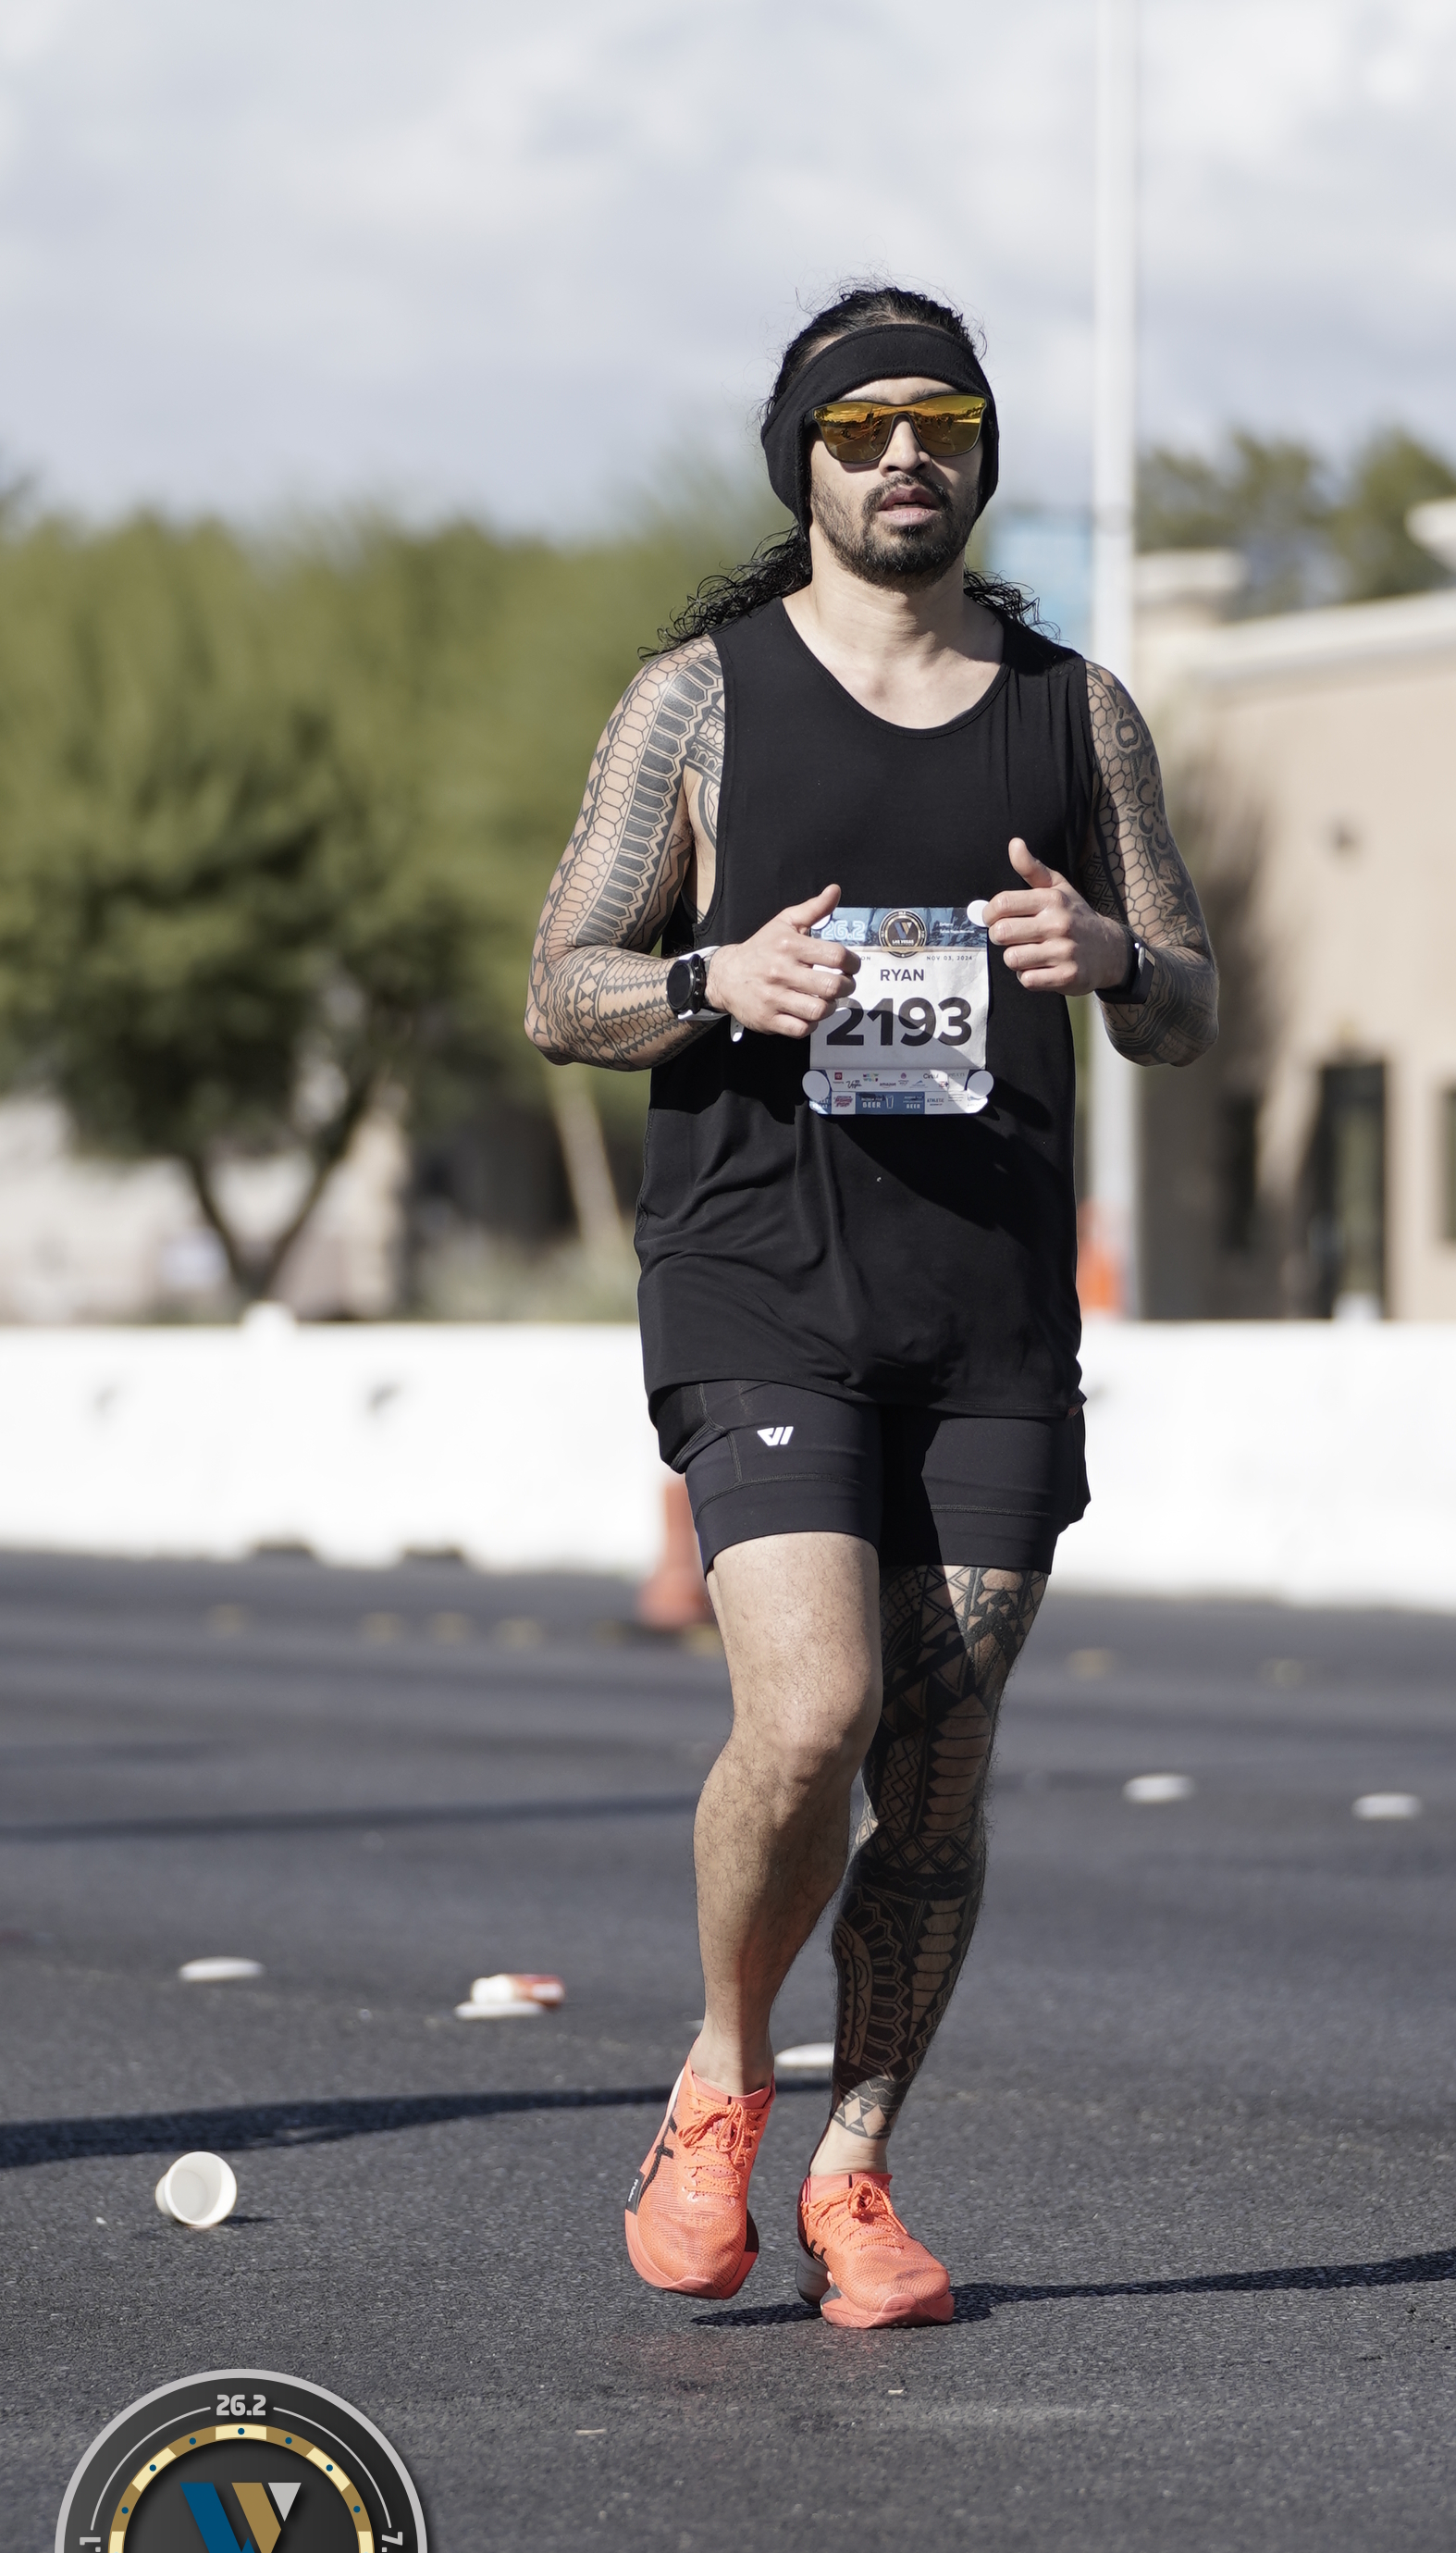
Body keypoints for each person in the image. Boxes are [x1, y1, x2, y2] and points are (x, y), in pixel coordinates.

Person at [525, 284, 1216, 2329]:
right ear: (802, 463)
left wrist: (1108, 953)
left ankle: (855, 2167)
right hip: (757, 1276)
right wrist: (710, 980)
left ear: (981, 453)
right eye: (859, 425)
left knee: (939, 1765)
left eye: (942, 419)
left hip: (986, 1309)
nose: (905, 452)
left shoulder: (1074, 712)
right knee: (812, 1710)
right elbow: (558, 984)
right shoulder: (700, 701)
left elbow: (1189, 1003)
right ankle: (724, 2077)